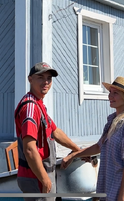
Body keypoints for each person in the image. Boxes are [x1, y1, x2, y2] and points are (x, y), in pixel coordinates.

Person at [61, 76, 124, 201]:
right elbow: (98, 146)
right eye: (110, 92)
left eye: (115, 93)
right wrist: (73, 155)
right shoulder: (112, 121)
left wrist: (121, 199)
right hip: (111, 189)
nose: (110, 96)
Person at [15, 62, 82, 201]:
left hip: (40, 174)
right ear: (30, 79)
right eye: (40, 77)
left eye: (49, 78)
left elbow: (55, 131)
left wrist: (77, 151)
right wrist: (44, 179)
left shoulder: (38, 104)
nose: (46, 82)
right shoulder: (30, 108)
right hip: (36, 176)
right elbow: (29, 149)